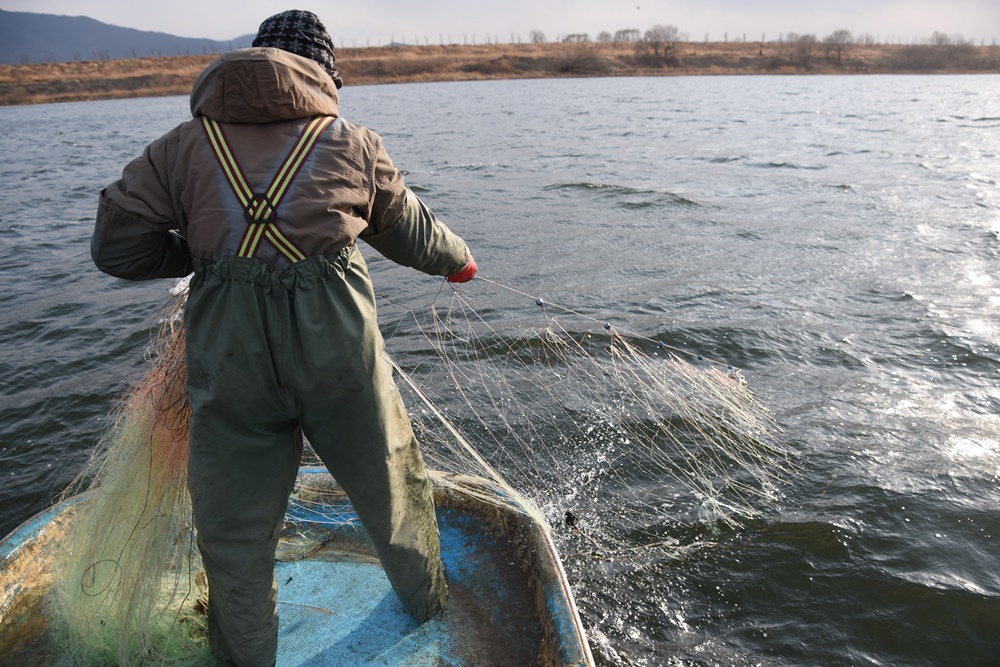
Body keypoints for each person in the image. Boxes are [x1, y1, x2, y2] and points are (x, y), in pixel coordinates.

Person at [90, 10, 476, 666]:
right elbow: (409, 232)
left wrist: (200, 253)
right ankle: (426, 607)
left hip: (231, 367)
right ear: (324, 73)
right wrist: (458, 259)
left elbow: (115, 247)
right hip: (339, 360)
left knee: (235, 539)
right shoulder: (351, 141)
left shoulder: (183, 147)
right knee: (393, 493)